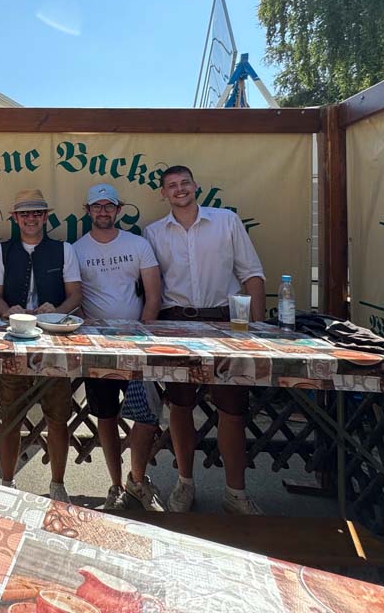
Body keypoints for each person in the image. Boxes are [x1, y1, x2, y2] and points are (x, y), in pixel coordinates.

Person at [145, 165, 266, 515]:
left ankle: (235, 493)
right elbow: (151, 288)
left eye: (185, 183)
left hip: (225, 324)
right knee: (179, 408)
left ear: (196, 186)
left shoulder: (226, 221)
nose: (180, 189)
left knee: (232, 410)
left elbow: (252, 273)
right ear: (163, 194)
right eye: (172, 185)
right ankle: (185, 483)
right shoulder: (152, 233)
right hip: (174, 325)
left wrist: (258, 329)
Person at [75, 183, 166, 512]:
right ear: (87, 212)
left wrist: (140, 336)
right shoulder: (76, 249)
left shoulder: (138, 244)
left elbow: (153, 295)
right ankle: (114, 486)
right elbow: (76, 299)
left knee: (147, 415)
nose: (102, 211)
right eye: (96, 206)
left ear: (118, 210)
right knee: (105, 415)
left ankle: (137, 481)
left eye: (108, 206)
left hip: (137, 344)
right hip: (97, 346)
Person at [0, 189, 82, 502]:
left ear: (45, 217)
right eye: (24, 213)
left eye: (36, 213)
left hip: (54, 343)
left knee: (58, 417)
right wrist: (6, 311)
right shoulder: (2, 251)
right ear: (15, 218)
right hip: (13, 342)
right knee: (10, 415)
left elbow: (75, 295)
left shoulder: (63, 249)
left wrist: (56, 312)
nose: (30, 218)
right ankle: (8, 482)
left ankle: (57, 485)